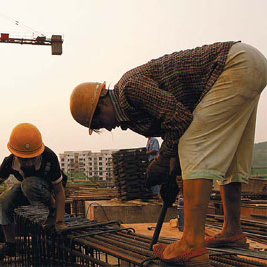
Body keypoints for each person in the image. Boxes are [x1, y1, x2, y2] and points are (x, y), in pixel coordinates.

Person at [69, 42, 266, 266]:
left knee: (196, 142)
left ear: (102, 102)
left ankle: (191, 243)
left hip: (233, 64)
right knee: (231, 153)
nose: (106, 128)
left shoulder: (129, 90)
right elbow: (175, 131)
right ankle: (233, 231)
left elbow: (180, 120)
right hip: (250, 64)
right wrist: (172, 174)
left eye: (98, 122)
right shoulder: (130, 113)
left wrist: (162, 161)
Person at [0, 123, 66, 259]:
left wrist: (59, 220)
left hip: (49, 189)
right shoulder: (9, 162)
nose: (28, 163)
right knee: (4, 199)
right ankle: (10, 244)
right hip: (27, 187)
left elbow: (59, 190)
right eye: (24, 159)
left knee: (29, 184)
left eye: (32, 159)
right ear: (15, 154)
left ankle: (51, 208)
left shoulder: (49, 157)